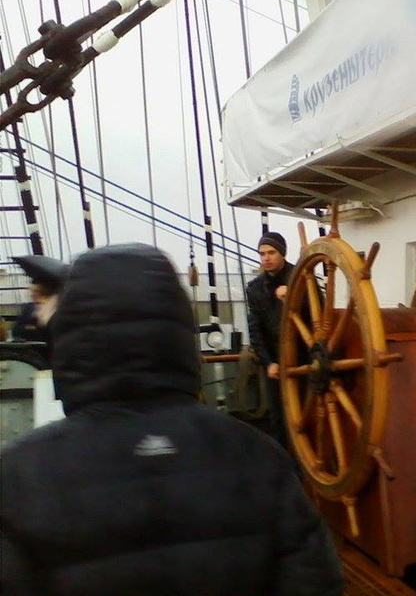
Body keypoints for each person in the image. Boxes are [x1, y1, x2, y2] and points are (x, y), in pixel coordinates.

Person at [0, 243, 343, 596]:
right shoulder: (261, 457)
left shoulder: (17, 477)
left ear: (70, 331)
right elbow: (314, 582)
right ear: (178, 329)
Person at [246, 232, 294, 448]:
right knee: (278, 417)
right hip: (274, 361)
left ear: (282, 253)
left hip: (303, 358)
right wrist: (268, 362)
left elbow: (317, 315)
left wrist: (293, 295)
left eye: (271, 252)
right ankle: (284, 459)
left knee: (304, 411)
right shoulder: (254, 288)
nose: (266, 258)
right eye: (262, 254)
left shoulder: (301, 278)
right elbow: (255, 328)